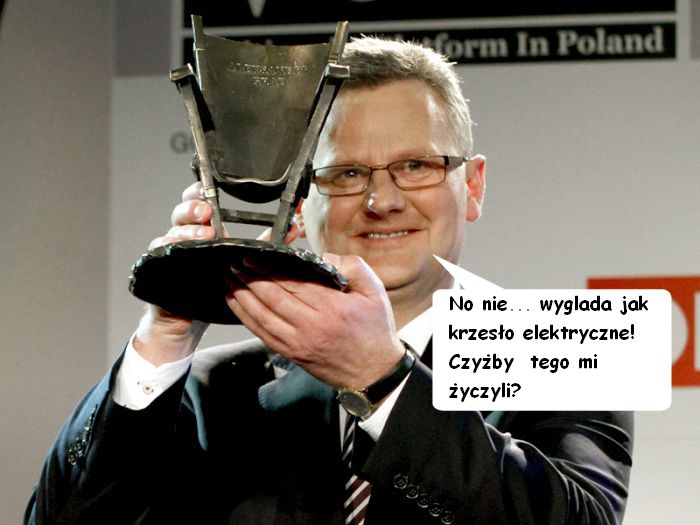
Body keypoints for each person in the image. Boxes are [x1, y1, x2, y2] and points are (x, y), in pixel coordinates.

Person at [25, 36, 633, 525]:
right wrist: (165, 335)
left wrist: (382, 378)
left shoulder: (563, 347)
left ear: (471, 186)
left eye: (415, 165)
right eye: (345, 174)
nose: (382, 201)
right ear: (298, 205)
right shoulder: (213, 390)